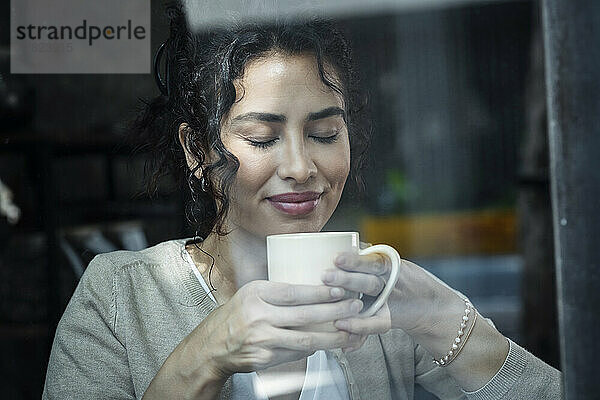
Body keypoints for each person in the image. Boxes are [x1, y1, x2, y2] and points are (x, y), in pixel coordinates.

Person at [43, 4, 561, 400]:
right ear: (196, 151)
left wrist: (446, 317)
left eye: (324, 132)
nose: (300, 166)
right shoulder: (120, 296)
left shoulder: (377, 306)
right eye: (264, 139)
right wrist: (204, 356)